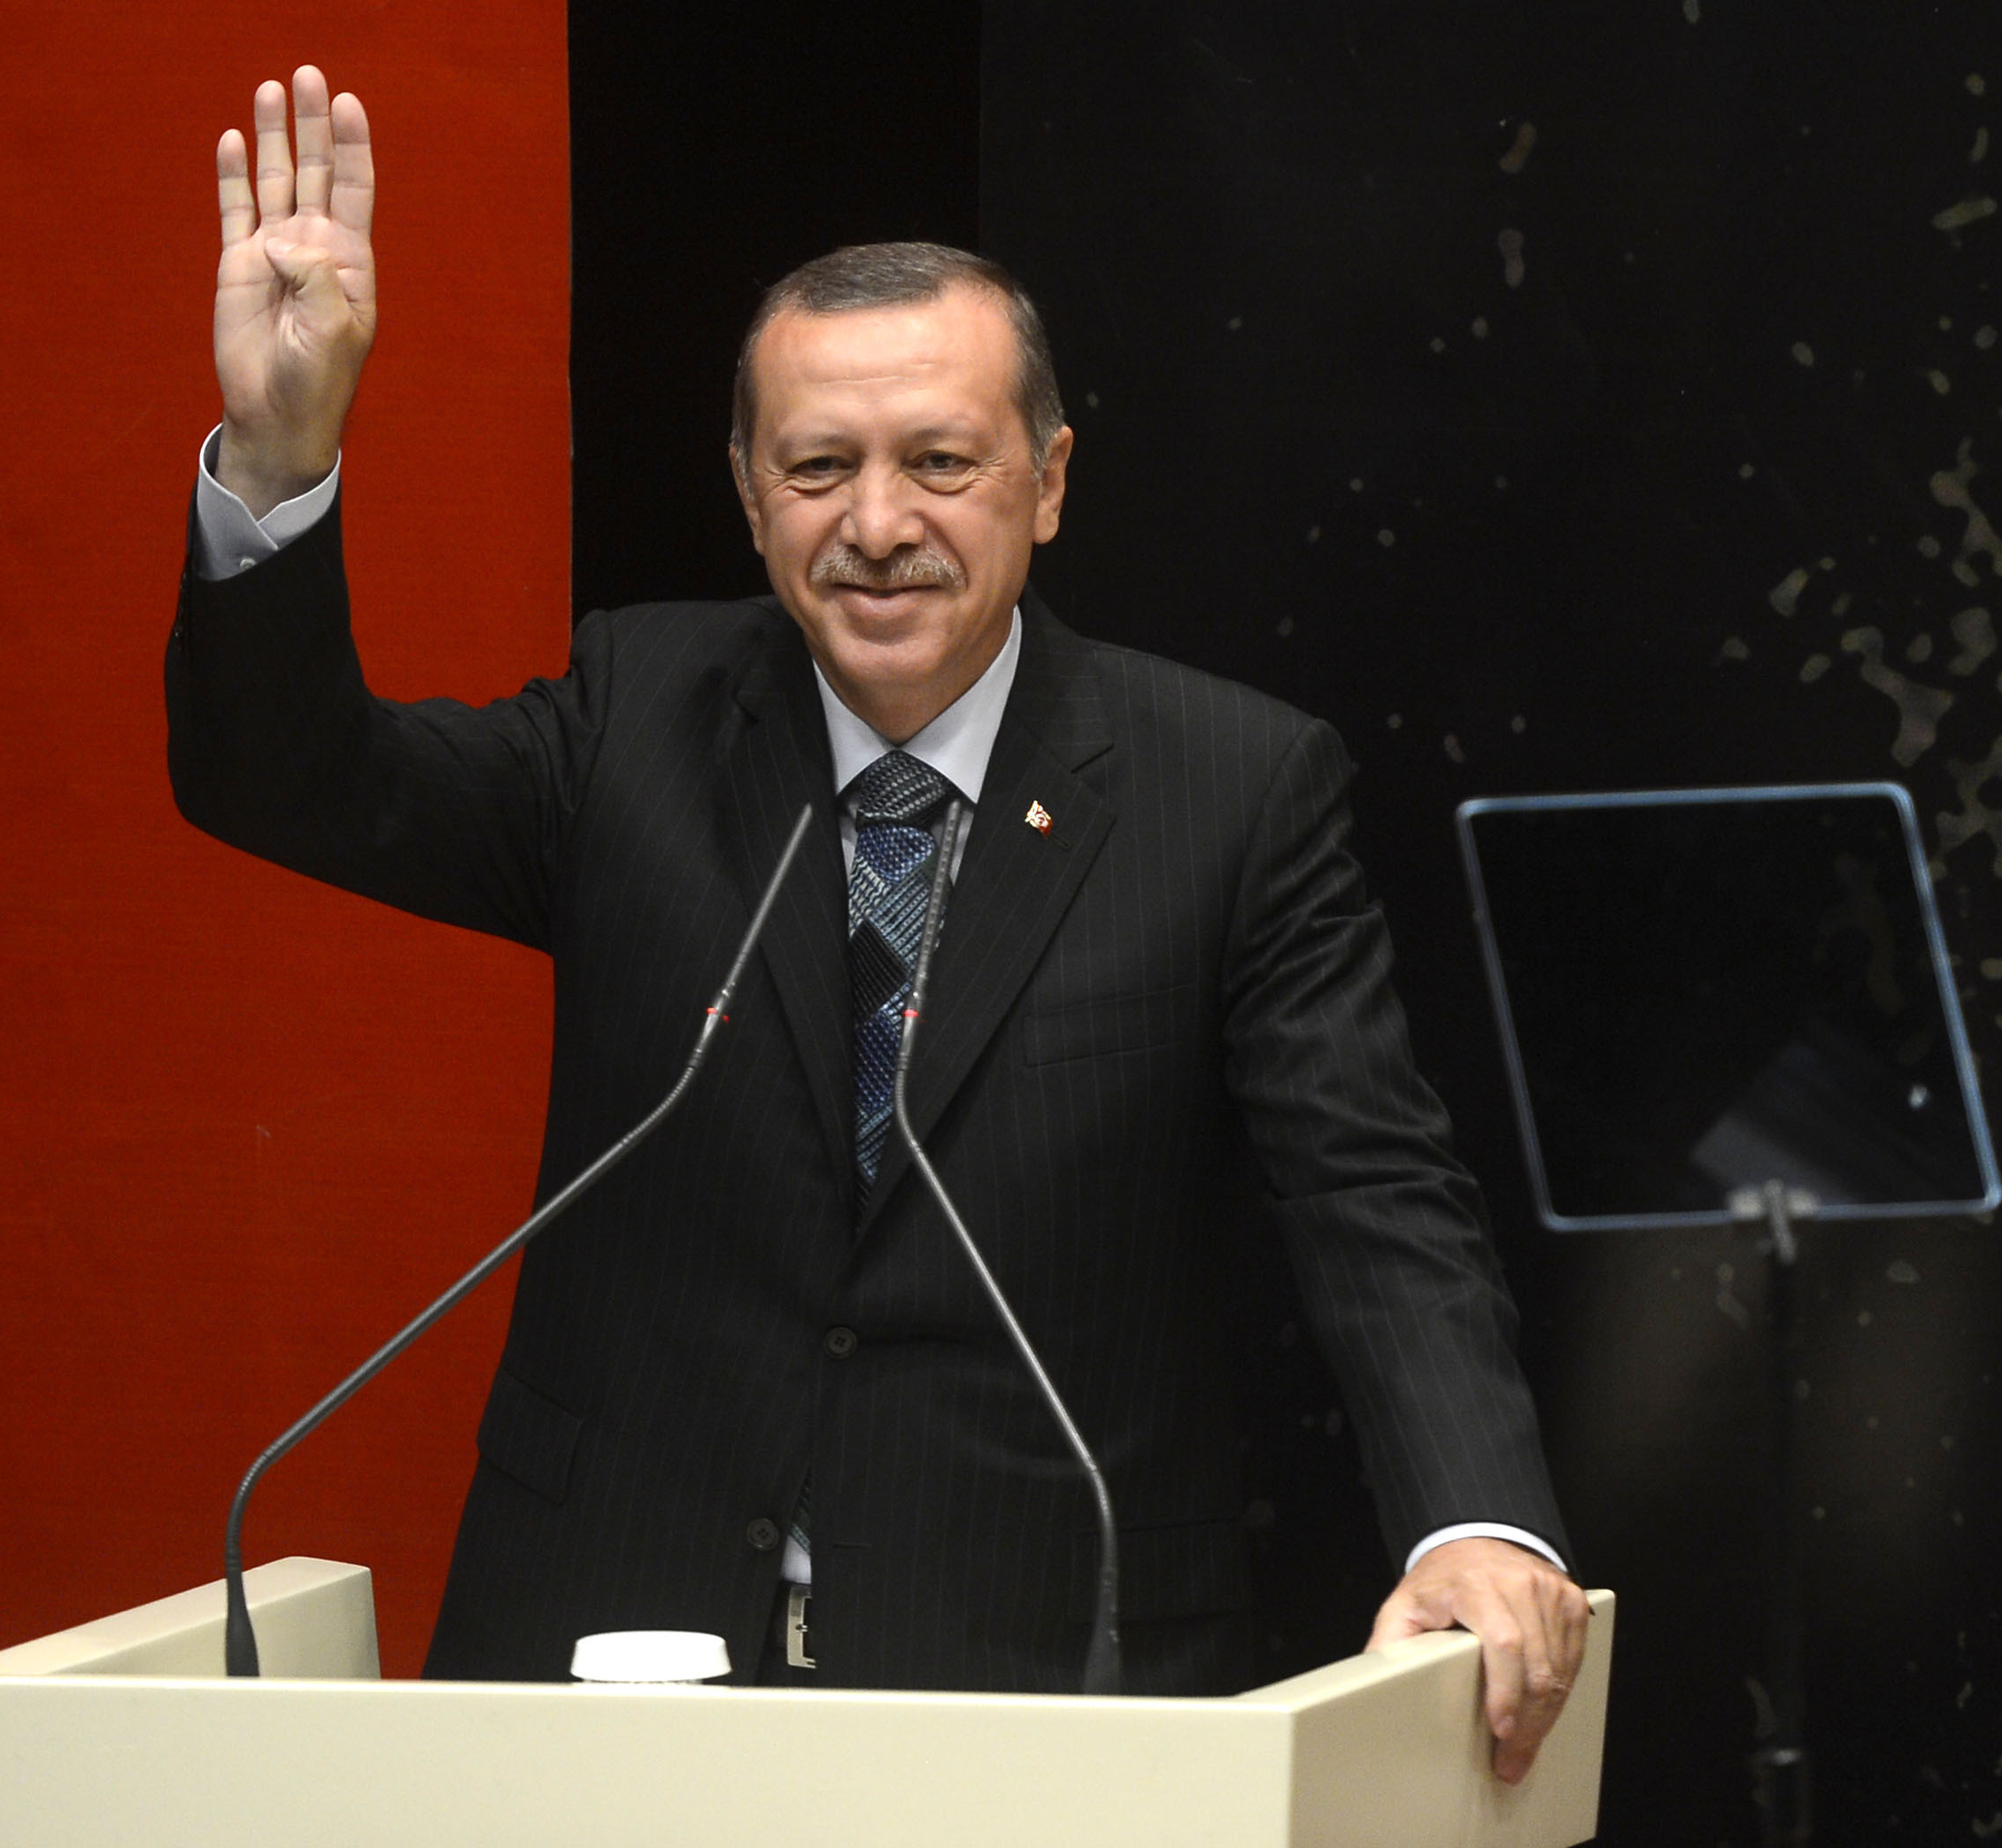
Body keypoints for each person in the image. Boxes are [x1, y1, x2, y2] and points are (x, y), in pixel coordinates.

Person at [171, 66, 1589, 1780]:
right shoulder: (636, 715)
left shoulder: (1230, 787)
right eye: (819, 467)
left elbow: (1371, 1191)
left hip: (1042, 1668)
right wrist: (280, 454)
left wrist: (1475, 1521)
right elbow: (291, 781)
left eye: (940, 463)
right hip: (614, 1654)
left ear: (1048, 482)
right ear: (749, 492)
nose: (878, 525)